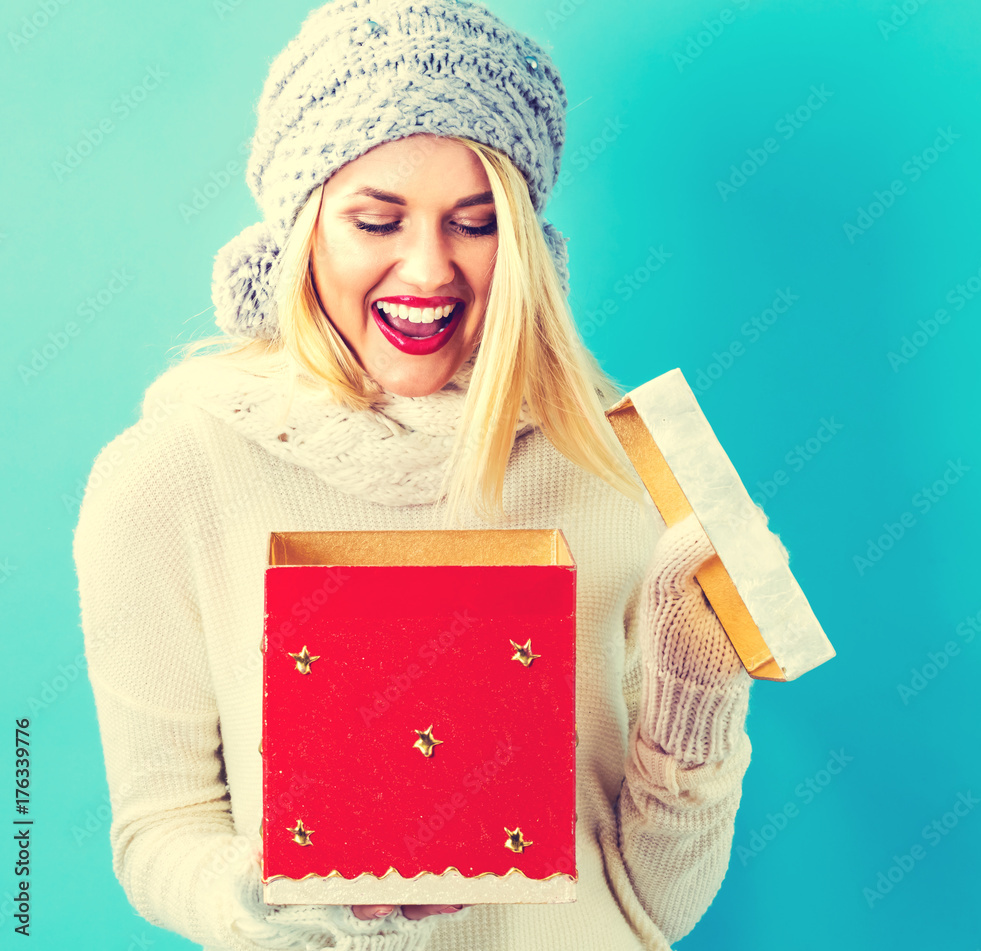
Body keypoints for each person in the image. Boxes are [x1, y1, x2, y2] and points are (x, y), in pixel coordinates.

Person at [73, 1, 758, 948]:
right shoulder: (170, 476)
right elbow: (159, 830)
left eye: (474, 224)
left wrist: (695, 708)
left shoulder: (624, 460)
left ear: (521, 244)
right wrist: (283, 894)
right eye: (376, 219)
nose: (429, 269)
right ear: (306, 228)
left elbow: (650, 908)